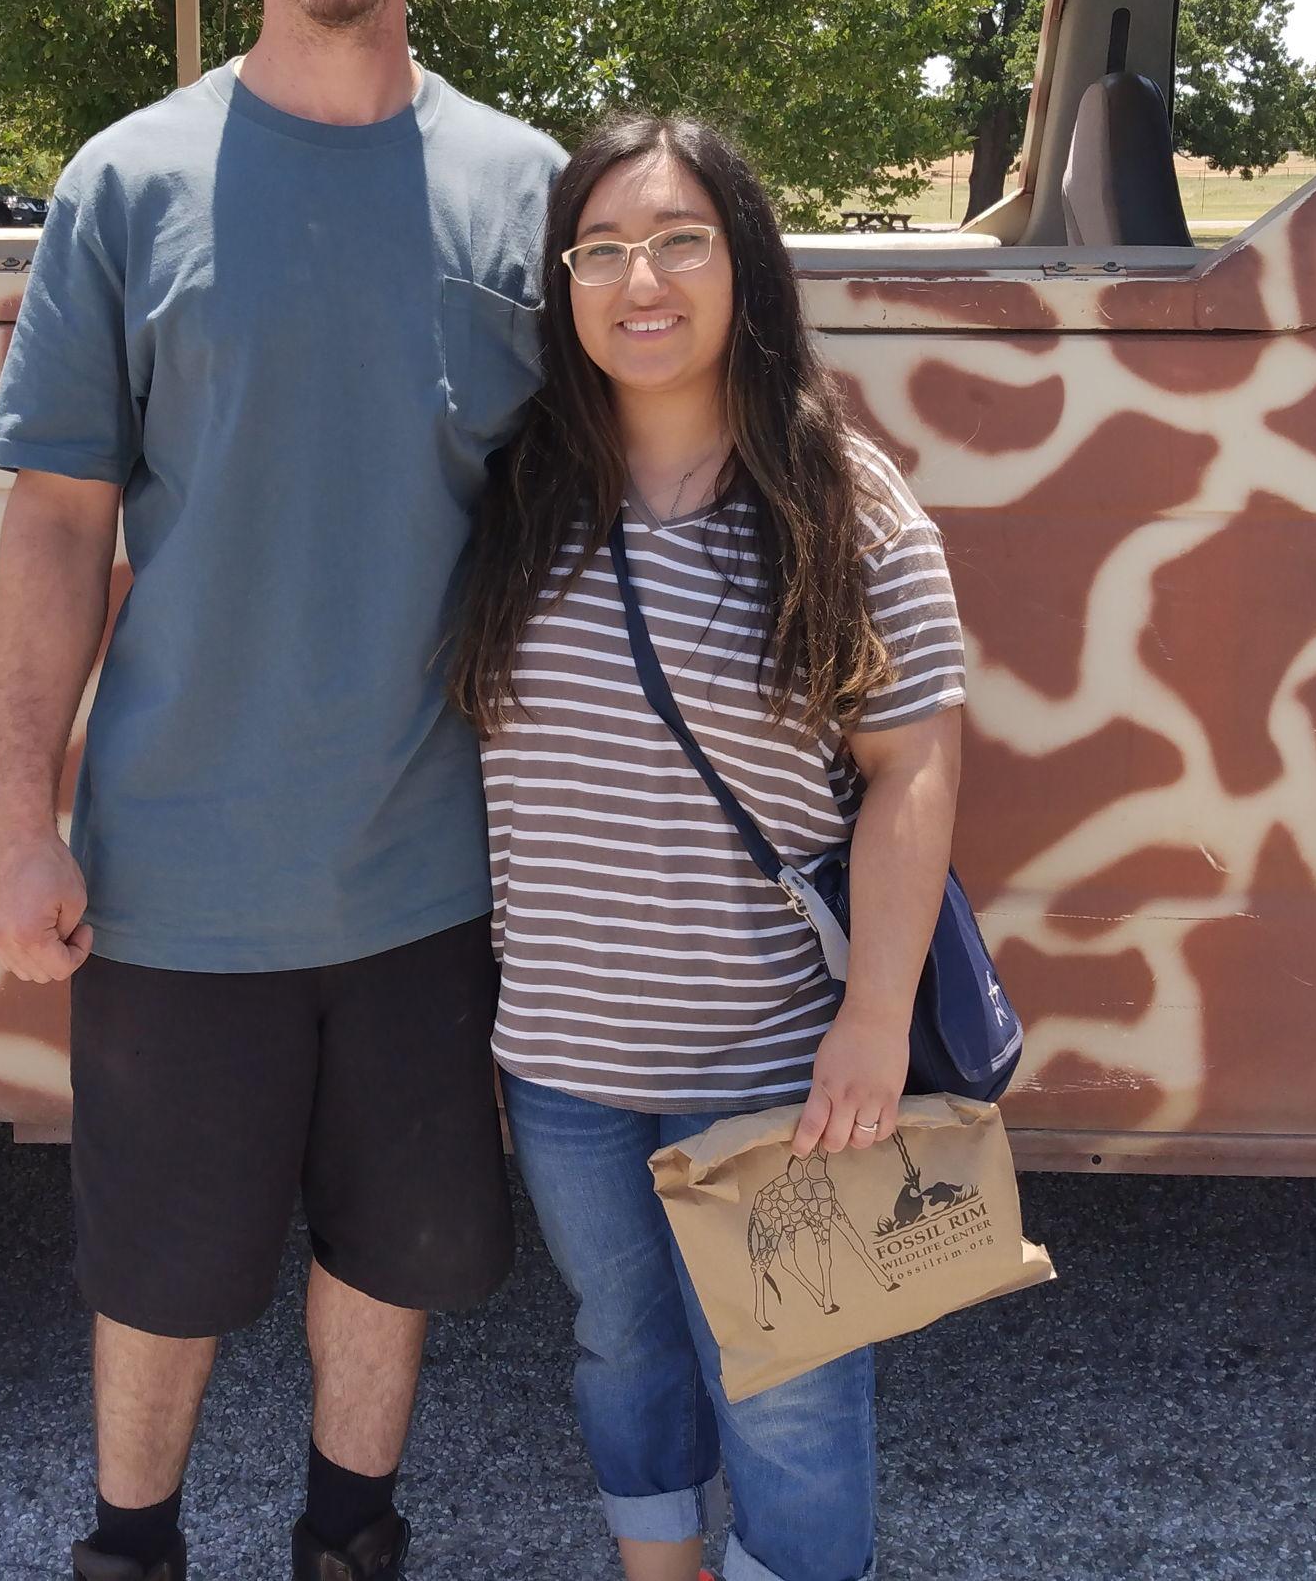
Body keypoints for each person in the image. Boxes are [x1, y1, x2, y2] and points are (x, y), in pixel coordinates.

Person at [0, 0, 563, 1581]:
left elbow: (612, 508)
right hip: (178, 877)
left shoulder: (531, 191)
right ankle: (130, 1550)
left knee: (394, 1257)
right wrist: (18, 811)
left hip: (430, 868)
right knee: (162, 1268)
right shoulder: (125, 185)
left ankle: (349, 1541)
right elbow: (60, 512)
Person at [451, 115, 967, 1581]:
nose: (641, 279)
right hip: (564, 1067)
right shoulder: (518, 497)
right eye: (601, 249)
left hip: (776, 1064)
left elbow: (913, 768)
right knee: (622, 1349)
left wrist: (874, 1020)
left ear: (746, 265)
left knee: (795, 1391)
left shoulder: (839, 505)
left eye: (681, 240)